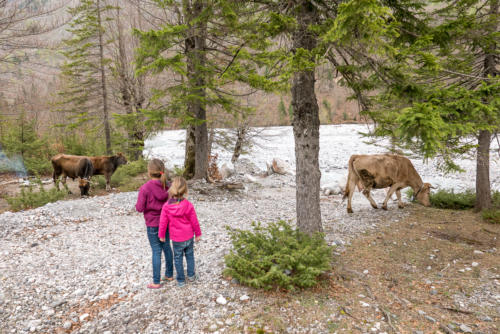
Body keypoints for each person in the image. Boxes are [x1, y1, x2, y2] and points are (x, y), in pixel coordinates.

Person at [135, 159, 173, 289]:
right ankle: (169, 274)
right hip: (166, 222)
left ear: (149, 171)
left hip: (152, 224)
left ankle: (156, 281)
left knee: (156, 251)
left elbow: (139, 208)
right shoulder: (168, 185)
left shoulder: (145, 188)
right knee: (167, 247)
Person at [159, 176, 201, 287]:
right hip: (188, 236)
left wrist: (161, 235)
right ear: (185, 190)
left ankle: (181, 280)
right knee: (190, 255)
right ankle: (191, 276)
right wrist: (198, 233)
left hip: (177, 238)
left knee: (177, 258)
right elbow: (194, 221)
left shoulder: (166, 206)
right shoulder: (188, 204)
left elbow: (163, 223)